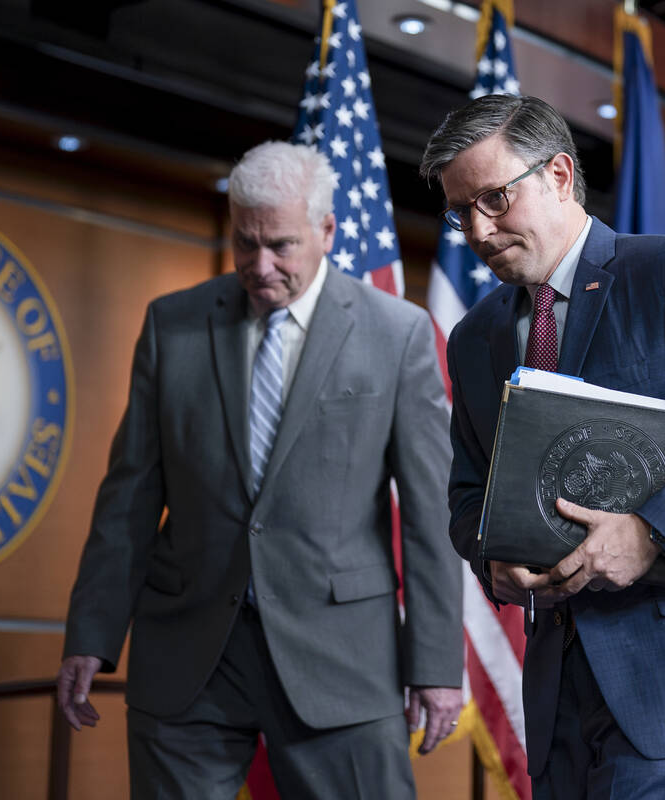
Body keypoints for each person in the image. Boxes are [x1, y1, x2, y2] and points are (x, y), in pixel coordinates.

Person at [418, 94, 665, 800]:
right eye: (461, 211)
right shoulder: (474, 335)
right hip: (555, 677)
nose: (478, 231)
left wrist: (651, 532)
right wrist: (493, 558)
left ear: (560, 175)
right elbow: (465, 492)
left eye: (494, 198)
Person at [56, 140, 464, 800]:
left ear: (326, 231)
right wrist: (92, 634)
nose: (259, 265)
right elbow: (129, 496)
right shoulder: (172, 325)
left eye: (280, 245)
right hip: (191, 654)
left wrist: (437, 664)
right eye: (245, 243)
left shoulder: (398, 334)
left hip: (342, 658)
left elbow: (427, 516)